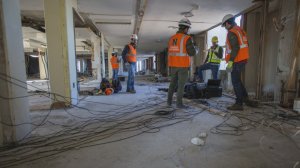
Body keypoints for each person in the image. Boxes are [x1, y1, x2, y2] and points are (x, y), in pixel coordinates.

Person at [222, 14, 251, 110]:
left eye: (224, 26)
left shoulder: (232, 32)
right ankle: (245, 98)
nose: (225, 28)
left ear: (227, 23)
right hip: (243, 59)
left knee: (235, 81)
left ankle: (239, 104)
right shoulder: (240, 30)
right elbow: (247, 45)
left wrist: (230, 63)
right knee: (238, 80)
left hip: (237, 60)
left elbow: (235, 48)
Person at [167, 18, 197, 108]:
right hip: (182, 65)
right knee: (181, 85)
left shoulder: (171, 39)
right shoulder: (187, 38)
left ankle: (169, 102)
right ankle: (179, 104)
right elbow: (192, 53)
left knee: (172, 84)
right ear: (186, 28)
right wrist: (195, 49)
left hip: (173, 65)